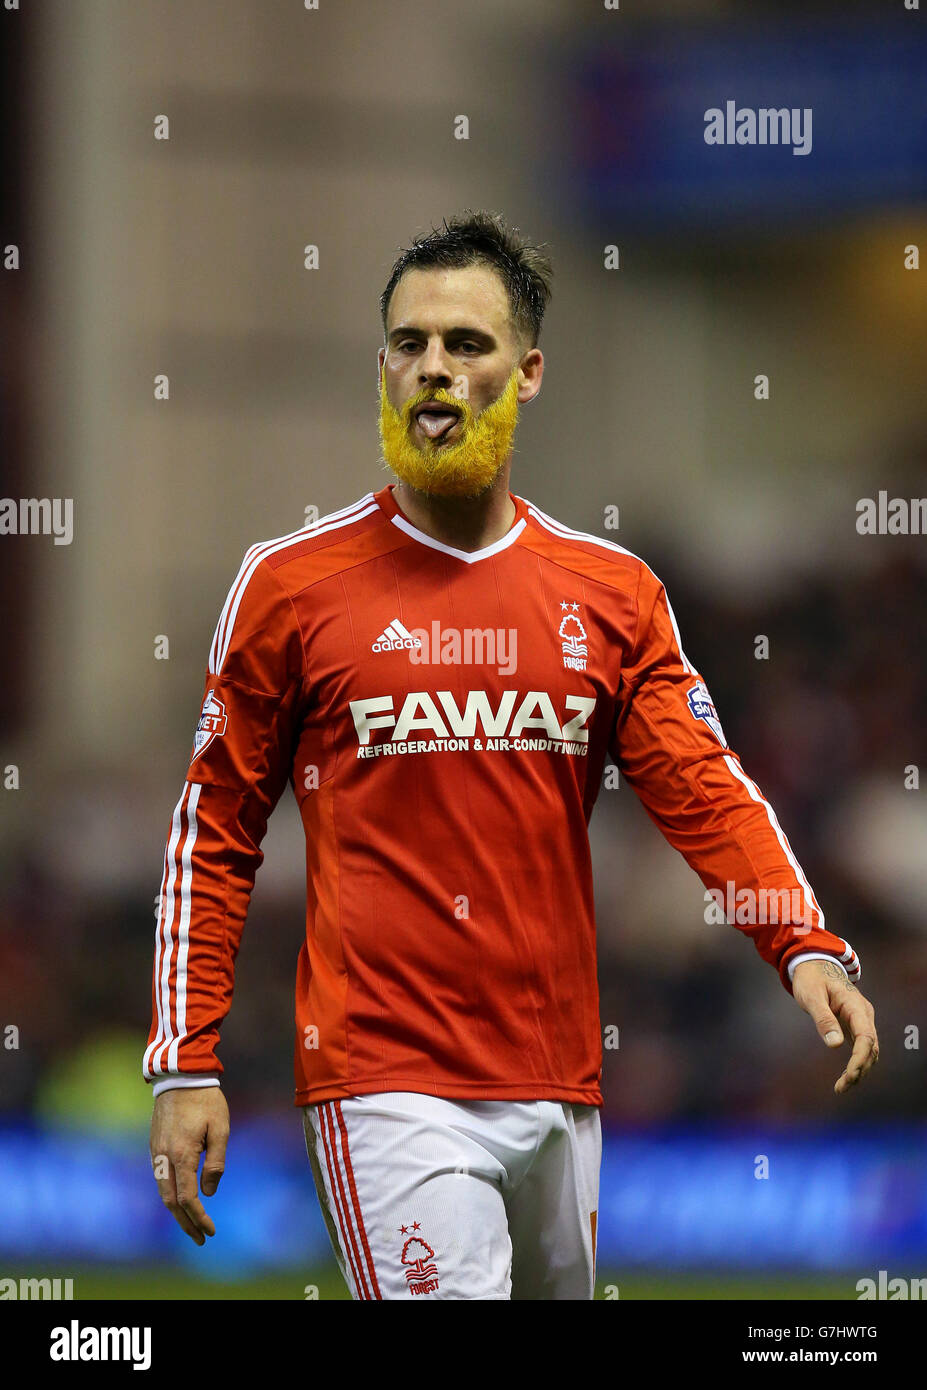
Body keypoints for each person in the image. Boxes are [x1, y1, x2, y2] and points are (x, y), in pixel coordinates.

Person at [145, 211, 878, 1300]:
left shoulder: (613, 594)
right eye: (409, 343)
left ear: (527, 372)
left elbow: (702, 786)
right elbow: (216, 833)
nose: (432, 368)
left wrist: (799, 938)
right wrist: (186, 1057)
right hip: (383, 1076)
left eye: (467, 345)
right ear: (383, 365)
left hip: (558, 1076)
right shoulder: (289, 588)